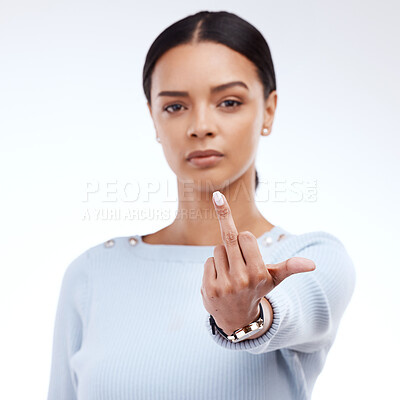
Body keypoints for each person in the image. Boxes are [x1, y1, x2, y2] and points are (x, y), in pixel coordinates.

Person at [47, 10, 356, 400]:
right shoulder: (92, 273)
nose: (201, 125)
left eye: (228, 101)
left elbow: (295, 308)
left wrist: (248, 316)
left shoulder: (307, 260)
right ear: (154, 120)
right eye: (175, 106)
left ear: (269, 110)